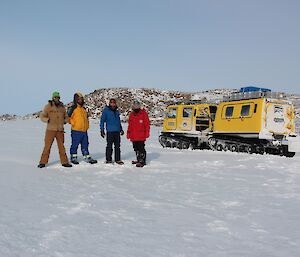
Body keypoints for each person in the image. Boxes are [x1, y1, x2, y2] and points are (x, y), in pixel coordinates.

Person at [38, 92, 72, 168]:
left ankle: (64, 162)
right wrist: (47, 119)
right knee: (47, 146)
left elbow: (66, 116)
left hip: (60, 130)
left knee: (61, 147)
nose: (57, 99)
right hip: (50, 130)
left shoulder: (62, 107)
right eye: (55, 97)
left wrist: (66, 120)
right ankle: (42, 162)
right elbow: (42, 116)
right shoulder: (48, 106)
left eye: (58, 97)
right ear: (53, 98)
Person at [67, 92, 97, 165]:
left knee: (85, 144)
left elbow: (86, 118)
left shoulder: (84, 109)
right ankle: (73, 157)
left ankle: (87, 157)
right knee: (75, 144)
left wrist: (87, 126)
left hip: (84, 131)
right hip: (76, 130)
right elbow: (67, 117)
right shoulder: (73, 108)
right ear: (76, 100)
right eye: (79, 99)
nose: (81, 100)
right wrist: (73, 122)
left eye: (81, 99)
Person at [100, 98, 124, 164]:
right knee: (109, 146)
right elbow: (102, 121)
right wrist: (102, 130)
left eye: (114, 103)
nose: (113, 104)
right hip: (110, 132)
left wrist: (121, 129)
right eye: (111, 103)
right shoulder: (106, 111)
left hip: (117, 132)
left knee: (117, 146)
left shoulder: (116, 111)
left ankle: (118, 159)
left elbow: (118, 121)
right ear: (109, 103)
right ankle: (108, 159)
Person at [127, 100, 150, 167]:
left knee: (141, 148)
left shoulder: (143, 113)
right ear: (133, 106)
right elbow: (130, 125)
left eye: (137, 105)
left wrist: (147, 133)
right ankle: (138, 159)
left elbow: (147, 124)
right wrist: (128, 133)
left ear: (139, 106)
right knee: (136, 148)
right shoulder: (131, 114)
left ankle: (142, 161)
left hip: (141, 135)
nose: (136, 107)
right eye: (135, 105)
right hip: (133, 135)